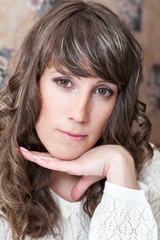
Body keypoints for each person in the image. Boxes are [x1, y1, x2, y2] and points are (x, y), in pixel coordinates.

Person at [0, 1, 160, 239]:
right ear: (33, 83)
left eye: (102, 91)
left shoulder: (152, 172)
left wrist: (120, 166)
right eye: (64, 82)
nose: (79, 113)